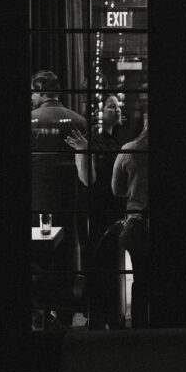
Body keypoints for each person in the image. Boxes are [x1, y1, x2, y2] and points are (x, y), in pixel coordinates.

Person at [31, 70, 87, 324]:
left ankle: (43, 308)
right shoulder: (78, 120)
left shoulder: (31, 120)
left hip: (38, 198)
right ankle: (64, 311)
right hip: (69, 198)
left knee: (40, 258)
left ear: (41, 91)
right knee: (65, 256)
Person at [66, 95, 128, 266]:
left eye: (118, 106)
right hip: (97, 208)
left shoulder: (114, 139)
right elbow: (87, 179)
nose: (117, 110)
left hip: (113, 206)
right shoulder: (90, 140)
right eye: (111, 106)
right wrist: (84, 150)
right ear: (98, 112)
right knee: (100, 256)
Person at [113, 116, 149, 326]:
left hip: (137, 223)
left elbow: (116, 190)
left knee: (141, 279)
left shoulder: (128, 150)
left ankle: (139, 326)